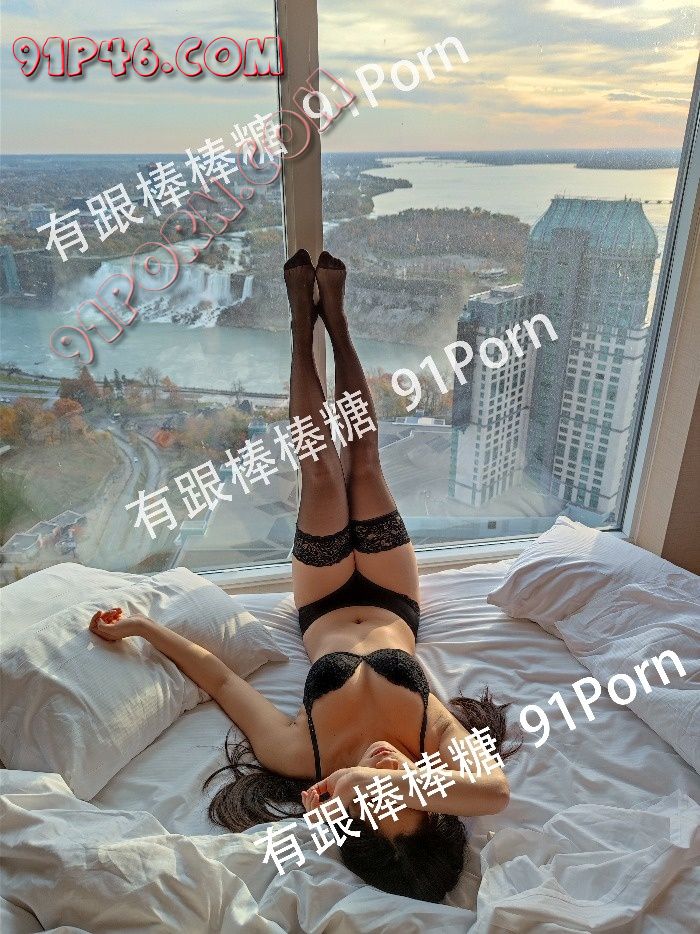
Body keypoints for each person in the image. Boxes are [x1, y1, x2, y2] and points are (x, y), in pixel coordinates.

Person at [89, 249, 521, 904]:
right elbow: (493, 793)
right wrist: (388, 783)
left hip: (322, 606)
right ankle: (337, 323)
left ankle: (301, 325)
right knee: (365, 460)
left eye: (373, 802)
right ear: (430, 800)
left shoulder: (301, 756)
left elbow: (221, 679)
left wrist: (143, 627)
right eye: (400, 794)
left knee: (320, 473)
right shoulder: (435, 746)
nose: (385, 776)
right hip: (393, 599)